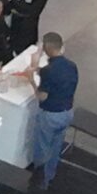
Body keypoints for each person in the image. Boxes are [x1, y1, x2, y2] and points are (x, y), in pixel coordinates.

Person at [33, 33, 81, 183]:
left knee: (43, 148)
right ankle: (50, 175)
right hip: (67, 112)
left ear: (46, 49)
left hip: (51, 115)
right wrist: (39, 70)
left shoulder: (49, 71)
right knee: (56, 146)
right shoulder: (71, 66)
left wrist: (31, 81)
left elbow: (42, 96)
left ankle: (40, 181)